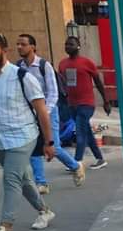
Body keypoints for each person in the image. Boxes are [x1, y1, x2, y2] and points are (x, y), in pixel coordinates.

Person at [0, 31, 55, 231]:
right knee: (24, 180)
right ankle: (45, 211)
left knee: (11, 178)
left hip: (23, 136)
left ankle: (5, 227)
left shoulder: (22, 76)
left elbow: (42, 111)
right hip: (0, 139)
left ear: (4, 50)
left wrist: (49, 142)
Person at [16, 34, 83, 189]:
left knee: (54, 146)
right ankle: (41, 182)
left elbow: (53, 93)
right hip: (29, 113)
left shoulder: (44, 66)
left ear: (33, 47)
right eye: (18, 44)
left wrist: (45, 112)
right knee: (34, 147)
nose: (19, 47)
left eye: (23, 44)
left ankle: (75, 166)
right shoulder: (19, 67)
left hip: (48, 111)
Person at [58, 35, 109, 169]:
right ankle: (100, 159)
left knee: (80, 132)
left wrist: (106, 101)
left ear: (78, 46)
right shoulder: (62, 64)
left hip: (86, 103)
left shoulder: (87, 63)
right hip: (72, 104)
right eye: (66, 44)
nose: (68, 47)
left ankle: (76, 162)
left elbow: (98, 82)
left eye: (71, 44)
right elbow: (62, 84)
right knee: (86, 132)